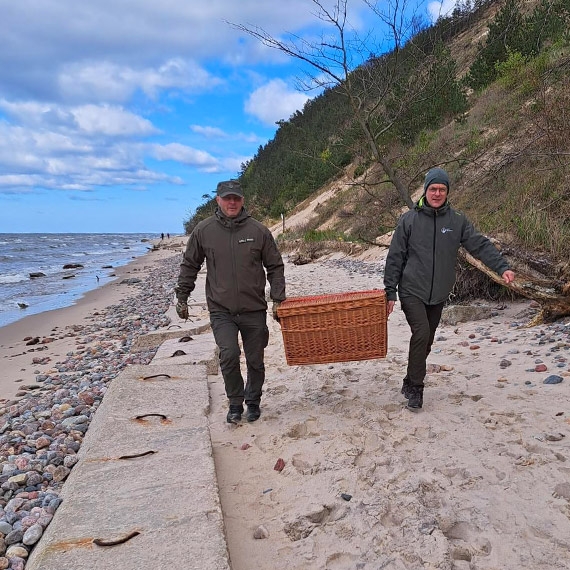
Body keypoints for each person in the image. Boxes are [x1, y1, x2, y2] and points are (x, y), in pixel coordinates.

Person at [384, 168, 515, 411]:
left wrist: (501, 267)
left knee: (428, 340)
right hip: (412, 289)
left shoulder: (457, 220)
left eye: (441, 189)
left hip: (439, 292)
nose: (437, 193)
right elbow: (395, 257)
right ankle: (415, 388)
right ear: (425, 190)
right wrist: (390, 291)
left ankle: (409, 378)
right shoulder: (409, 220)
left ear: (447, 192)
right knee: (421, 333)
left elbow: (479, 245)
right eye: (433, 188)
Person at [175, 180, 286, 424]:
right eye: (227, 198)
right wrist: (182, 295)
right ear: (218, 200)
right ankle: (235, 403)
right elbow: (190, 264)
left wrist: (278, 298)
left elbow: (275, 266)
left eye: (236, 198)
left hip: (254, 308)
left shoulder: (259, 231)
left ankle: (253, 401)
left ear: (242, 200)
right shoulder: (204, 231)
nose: (232, 202)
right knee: (229, 354)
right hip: (221, 309)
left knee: (255, 359)